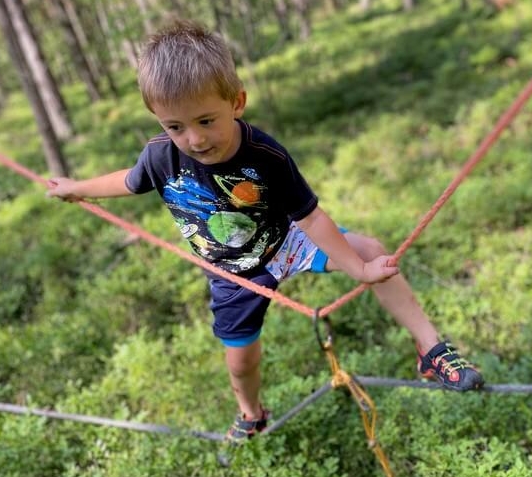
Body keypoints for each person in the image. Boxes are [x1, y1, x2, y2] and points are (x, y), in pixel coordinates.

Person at [46, 19, 483, 444]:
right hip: (232, 274)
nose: (194, 140)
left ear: (237, 102)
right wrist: (75, 189)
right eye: (174, 126)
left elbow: (311, 218)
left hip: (286, 239)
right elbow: (128, 181)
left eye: (205, 121)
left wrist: (360, 269)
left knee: (370, 250)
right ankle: (251, 414)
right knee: (240, 363)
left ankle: (430, 349)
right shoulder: (161, 157)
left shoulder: (266, 155)